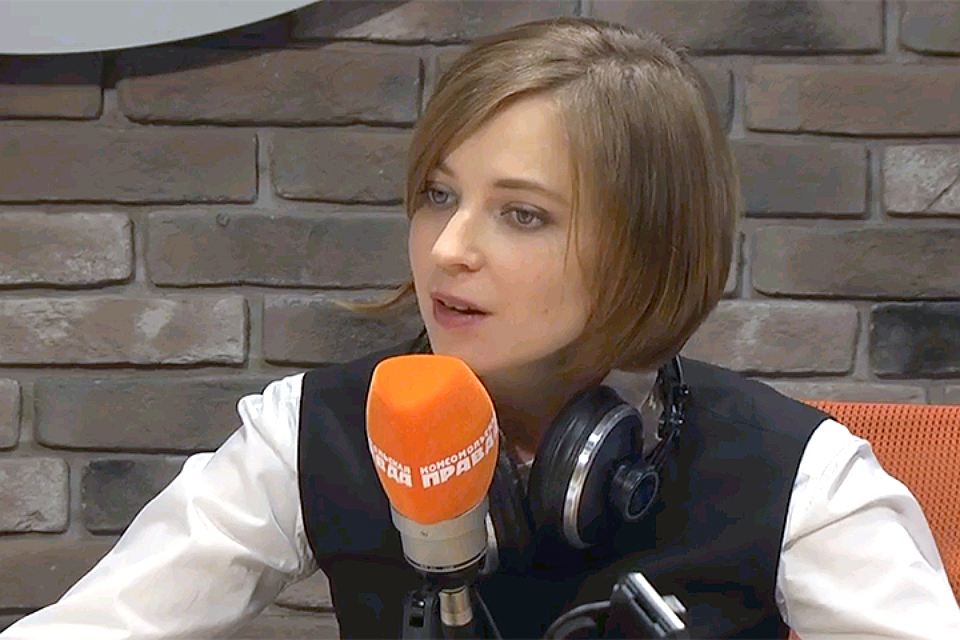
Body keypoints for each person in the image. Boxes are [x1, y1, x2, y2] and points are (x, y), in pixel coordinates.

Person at [3, 16, 959, 640]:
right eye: (438, 195)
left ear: (647, 246)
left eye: (522, 214)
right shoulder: (310, 431)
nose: (449, 248)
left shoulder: (800, 474)